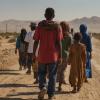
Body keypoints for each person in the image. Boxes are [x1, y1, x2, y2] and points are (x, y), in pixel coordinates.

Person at [33, 8, 63, 99]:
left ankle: (43, 87)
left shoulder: (40, 26)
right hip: (53, 56)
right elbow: (59, 43)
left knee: (41, 73)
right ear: (53, 16)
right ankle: (51, 95)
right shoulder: (57, 27)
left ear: (45, 15)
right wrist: (60, 56)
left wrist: (34, 54)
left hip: (42, 55)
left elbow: (36, 41)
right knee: (52, 75)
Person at [57, 21, 72, 91]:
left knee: (57, 70)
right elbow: (70, 48)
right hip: (65, 55)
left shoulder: (57, 34)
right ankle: (60, 84)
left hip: (57, 55)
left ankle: (57, 82)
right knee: (62, 70)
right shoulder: (69, 36)